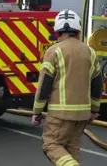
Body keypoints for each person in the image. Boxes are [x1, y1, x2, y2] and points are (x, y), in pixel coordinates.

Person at [31, 9, 103, 166]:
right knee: (72, 149)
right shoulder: (90, 52)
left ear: (57, 33)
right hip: (82, 115)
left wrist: (37, 112)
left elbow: (44, 86)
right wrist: (94, 110)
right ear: (77, 32)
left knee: (51, 144)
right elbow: (97, 84)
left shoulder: (53, 51)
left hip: (60, 114)